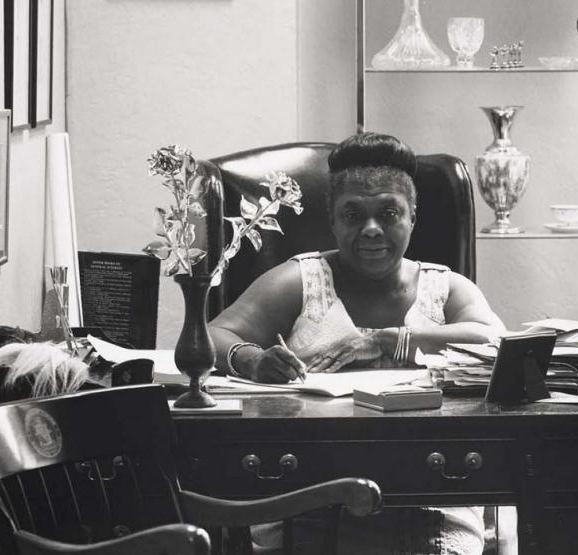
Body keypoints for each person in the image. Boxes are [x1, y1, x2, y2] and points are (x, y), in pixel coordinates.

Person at [209, 132, 506, 554]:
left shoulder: (444, 288)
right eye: (353, 215)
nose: (371, 230)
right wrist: (252, 360)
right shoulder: (302, 281)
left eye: (388, 213)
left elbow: (493, 342)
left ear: (412, 216)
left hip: (433, 491)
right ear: (331, 221)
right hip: (308, 492)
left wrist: (394, 342)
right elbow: (212, 335)